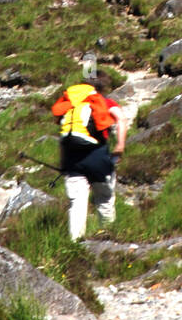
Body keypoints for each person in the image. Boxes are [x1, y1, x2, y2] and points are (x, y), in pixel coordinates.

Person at [51, 55, 127, 241]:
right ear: (104, 87)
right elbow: (121, 119)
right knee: (105, 198)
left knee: (77, 202)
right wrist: (120, 146)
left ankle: (75, 243)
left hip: (72, 158)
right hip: (98, 157)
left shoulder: (74, 103)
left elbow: (63, 131)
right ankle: (109, 239)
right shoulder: (105, 102)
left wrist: (64, 162)